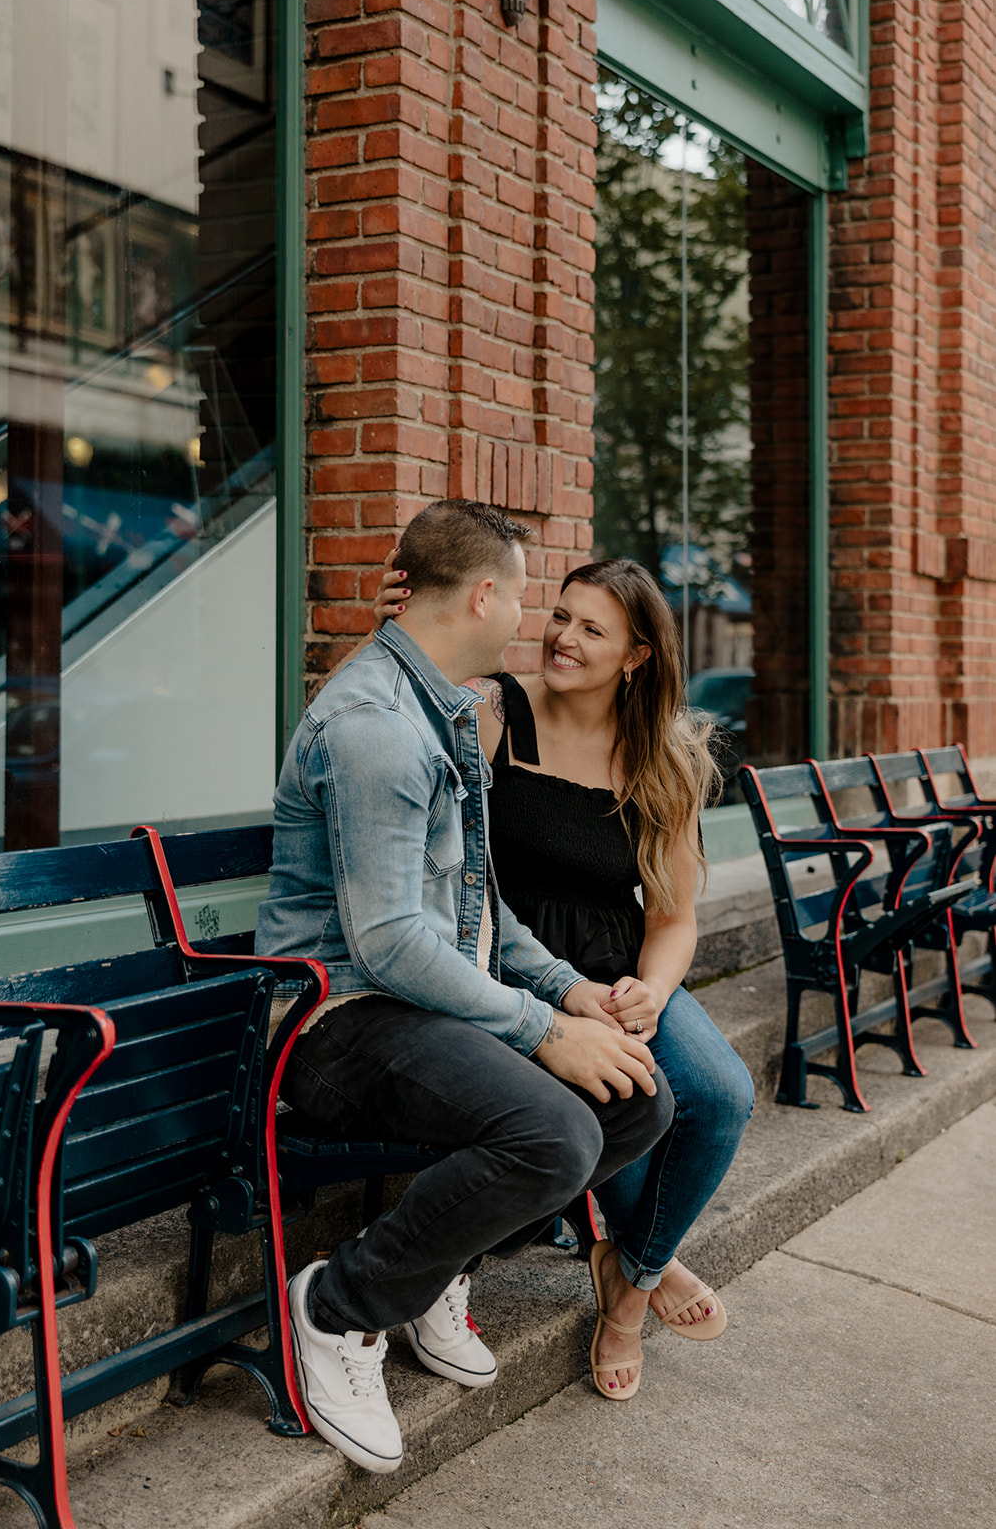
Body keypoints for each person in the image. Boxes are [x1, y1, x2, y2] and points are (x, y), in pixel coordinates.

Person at [255, 500, 675, 1473]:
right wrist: (538, 1030)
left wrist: (571, 992)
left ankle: (435, 1267)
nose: (531, 617)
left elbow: (476, 906)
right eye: (526, 594)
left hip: (418, 1007)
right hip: (332, 1022)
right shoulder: (374, 729)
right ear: (483, 594)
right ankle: (338, 1305)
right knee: (557, 1129)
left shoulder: (443, 710)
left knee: (634, 1103)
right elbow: (393, 943)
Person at [374, 549, 755, 1400]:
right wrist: (392, 624)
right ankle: (640, 1278)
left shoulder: (665, 752)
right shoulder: (495, 713)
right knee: (619, 1090)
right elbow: (383, 720)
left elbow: (674, 918)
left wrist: (651, 991)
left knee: (722, 1096)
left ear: (636, 656)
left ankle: (632, 1280)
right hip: (509, 968)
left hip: (619, 974)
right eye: (559, 616)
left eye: (592, 629)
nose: (563, 638)